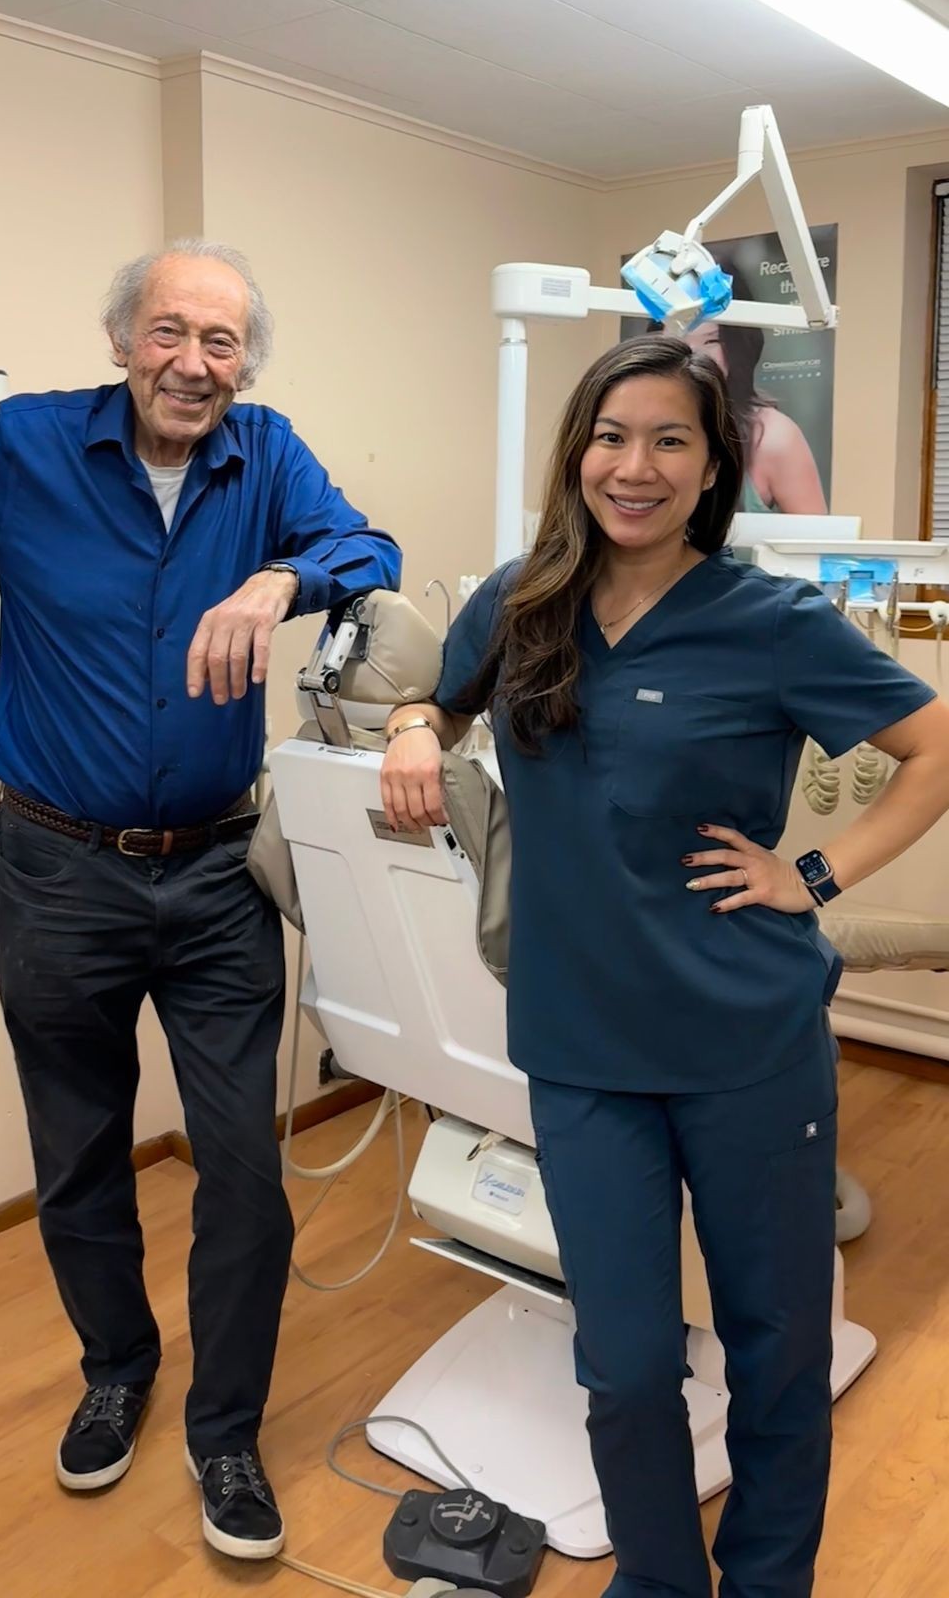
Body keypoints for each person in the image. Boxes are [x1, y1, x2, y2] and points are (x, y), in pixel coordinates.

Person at [380, 334, 949, 1598]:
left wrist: (809, 877)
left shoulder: (772, 621)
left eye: (669, 442)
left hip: (746, 1043)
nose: (633, 467)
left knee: (778, 1351)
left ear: (710, 470)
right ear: (578, 450)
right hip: (582, 1049)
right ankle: (657, 1581)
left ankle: (764, 1582)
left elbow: (937, 747)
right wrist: (418, 722)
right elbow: (445, 694)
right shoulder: (521, 598)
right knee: (627, 1363)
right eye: (611, 436)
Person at [0, 238, 400, 1561]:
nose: (194, 364)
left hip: (219, 874)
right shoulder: (26, 447)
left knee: (241, 1168)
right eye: (171, 333)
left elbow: (368, 542)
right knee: (79, 1152)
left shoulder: (264, 455)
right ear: (122, 342)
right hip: (57, 869)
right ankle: (116, 1367)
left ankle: (226, 1433)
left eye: (222, 343)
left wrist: (285, 577)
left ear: (245, 365)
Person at [695, 320, 827, 514]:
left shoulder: (774, 436)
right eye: (676, 337)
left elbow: (815, 540)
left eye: (711, 341)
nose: (692, 353)